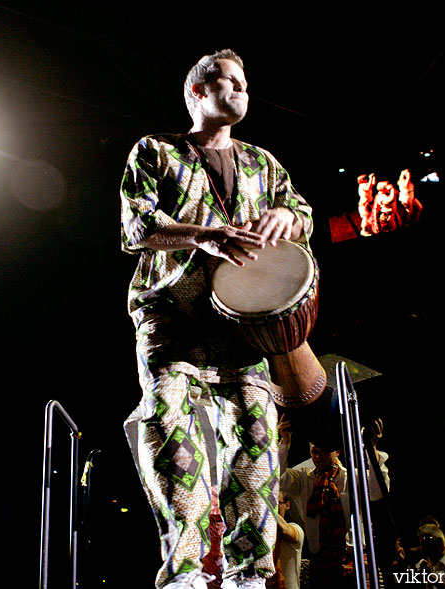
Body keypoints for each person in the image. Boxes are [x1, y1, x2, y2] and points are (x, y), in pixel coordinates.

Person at [120, 48, 314, 589]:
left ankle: (249, 574)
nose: (238, 90)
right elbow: (136, 229)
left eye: (244, 84)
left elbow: (304, 213)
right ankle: (183, 574)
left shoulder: (264, 163)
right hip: (171, 318)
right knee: (170, 434)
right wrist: (206, 235)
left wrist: (287, 216)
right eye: (224, 81)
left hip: (241, 330)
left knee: (256, 448)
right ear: (196, 94)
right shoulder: (156, 152)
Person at [278, 417, 389, 587]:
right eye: (314, 452)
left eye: (323, 451)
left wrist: (372, 447)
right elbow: (275, 478)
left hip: (353, 559)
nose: (318, 457)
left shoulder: (353, 477)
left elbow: (378, 490)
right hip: (321, 561)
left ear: (337, 451)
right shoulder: (304, 479)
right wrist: (285, 441)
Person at [395, 524, 445, 588]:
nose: (422, 547)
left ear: (439, 542)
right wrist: (403, 567)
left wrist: (430, 577)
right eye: (421, 544)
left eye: (426, 543)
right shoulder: (422, 564)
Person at [267, 491, 305, 589]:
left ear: (287, 505)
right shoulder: (264, 533)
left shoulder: (296, 528)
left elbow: (284, 530)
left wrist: (266, 505)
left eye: (276, 503)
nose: (274, 507)